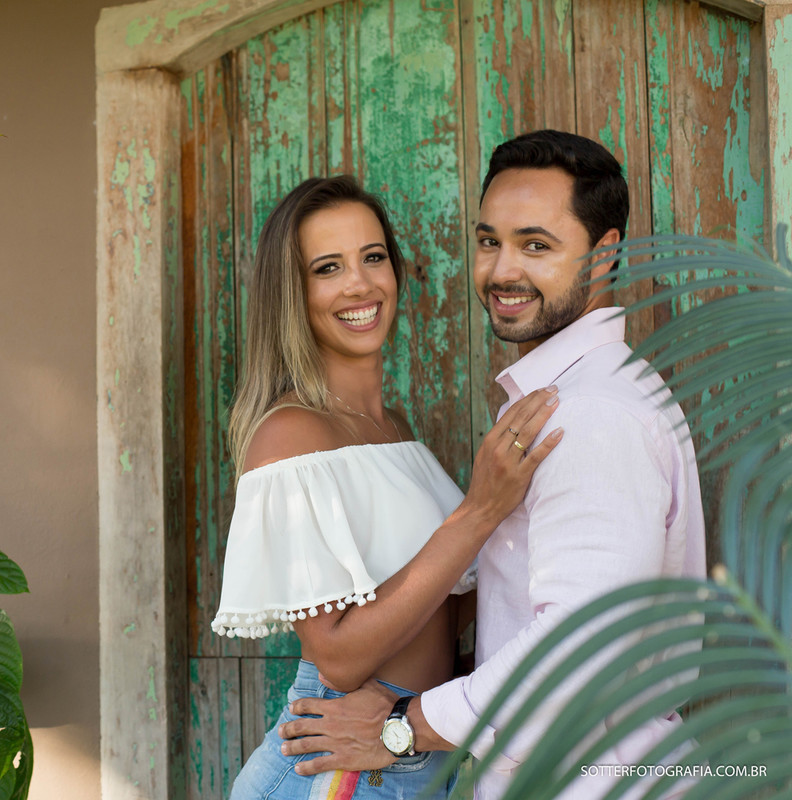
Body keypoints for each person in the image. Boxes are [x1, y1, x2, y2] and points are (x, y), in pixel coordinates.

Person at [277, 130, 708, 800]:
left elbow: (576, 649)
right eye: (489, 241)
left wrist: (401, 727)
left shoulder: (590, 416)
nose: (502, 271)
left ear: (606, 252)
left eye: (536, 245)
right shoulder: (582, 397)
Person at [214, 174, 564, 799]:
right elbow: (339, 657)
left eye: (372, 257)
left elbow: (435, 608)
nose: (359, 283)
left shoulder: (393, 428)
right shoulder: (292, 433)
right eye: (327, 267)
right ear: (293, 293)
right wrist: (480, 513)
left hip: (407, 745)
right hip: (339, 768)